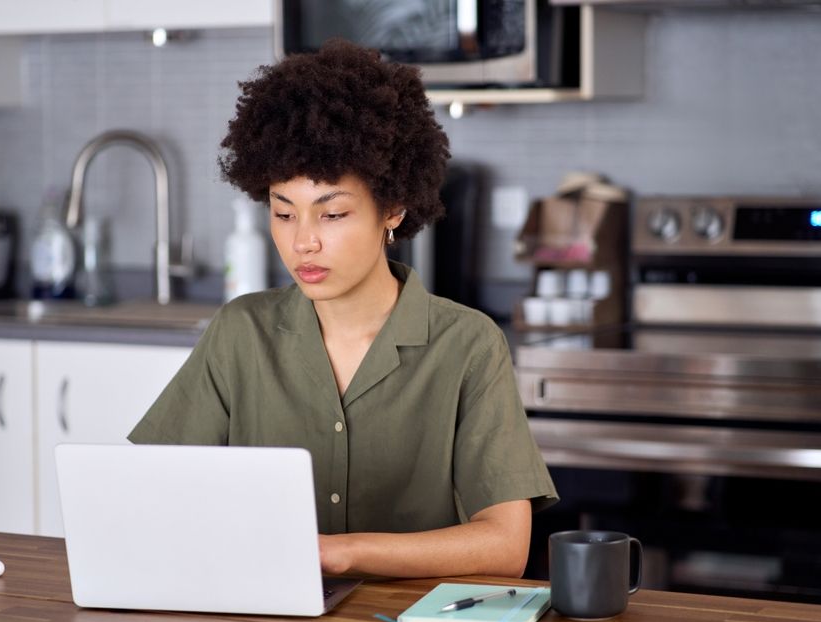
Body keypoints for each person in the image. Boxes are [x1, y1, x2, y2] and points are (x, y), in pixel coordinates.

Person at [128, 38, 557, 579]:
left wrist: (343, 552)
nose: (303, 242)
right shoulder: (241, 333)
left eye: (331, 215)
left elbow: (504, 545)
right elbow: (149, 490)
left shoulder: (468, 345)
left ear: (393, 210)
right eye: (284, 214)